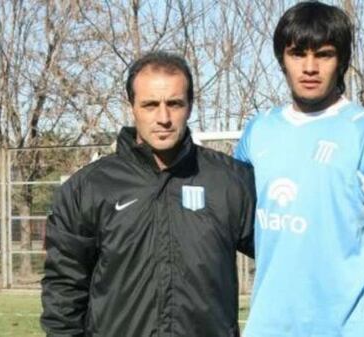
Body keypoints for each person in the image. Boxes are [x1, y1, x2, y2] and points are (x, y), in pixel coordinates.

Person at [234, 2, 364, 337]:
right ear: (283, 59)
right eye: (298, 54)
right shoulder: (258, 130)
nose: (310, 67)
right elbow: (238, 225)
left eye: (323, 54)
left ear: (341, 60)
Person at [41, 51, 256, 337]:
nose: (163, 117)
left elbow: (284, 255)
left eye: (175, 104)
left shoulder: (230, 181)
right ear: (132, 106)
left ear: (190, 106)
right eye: (151, 105)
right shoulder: (89, 188)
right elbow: (64, 289)